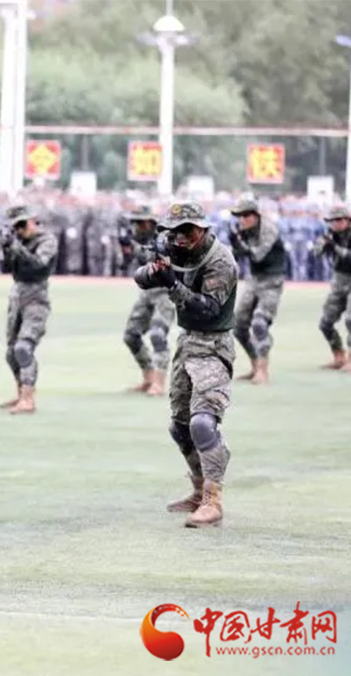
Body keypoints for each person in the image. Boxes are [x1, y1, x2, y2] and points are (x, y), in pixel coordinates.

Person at [134, 201, 238, 528]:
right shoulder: (178, 252)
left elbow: (207, 308)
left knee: (203, 424)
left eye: (187, 231)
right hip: (187, 344)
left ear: (203, 229)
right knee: (179, 427)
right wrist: (156, 268)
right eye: (174, 232)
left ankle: (213, 499)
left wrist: (173, 284)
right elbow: (141, 279)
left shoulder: (220, 261)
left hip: (214, 344)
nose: (180, 238)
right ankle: (196, 489)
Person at [0, 204, 58, 413]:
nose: (21, 230)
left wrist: (16, 248)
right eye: (17, 226)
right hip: (17, 296)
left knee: (24, 348)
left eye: (22, 224)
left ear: (33, 220)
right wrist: (6, 247)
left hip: (36, 297)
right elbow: (4, 267)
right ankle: (20, 393)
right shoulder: (18, 242)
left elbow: (38, 265)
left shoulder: (46, 241)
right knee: (11, 352)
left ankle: (28, 399)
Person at [229, 198, 288, 384]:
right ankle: (255, 365)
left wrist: (240, 245)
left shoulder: (268, 229)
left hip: (272, 280)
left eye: (245, 215)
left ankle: (263, 371)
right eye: (239, 216)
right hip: (254, 280)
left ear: (255, 216)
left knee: (260, 323)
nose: (242, 220)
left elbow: (258, 255)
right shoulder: (244, 231)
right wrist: (236, 244)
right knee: (238, 326)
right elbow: (237, 257)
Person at [118, 204, 174, 395]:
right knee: (131, 335)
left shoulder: (165, 237)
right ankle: (148, 378)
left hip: (166, 292)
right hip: (147, 292)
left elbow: (154, 259)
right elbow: (124, 264)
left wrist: (132, 246)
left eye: (140, 223)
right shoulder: (140, 238)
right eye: (134, 223)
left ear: (150, 222)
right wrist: (125, 247)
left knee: (158, 334)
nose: (136, 227)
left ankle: (159, 382)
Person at [314, 206, 351, 373]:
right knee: (325, 323)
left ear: (348, 221)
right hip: (339, 282)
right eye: (333, 221)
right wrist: (323, 245)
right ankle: (339, 356)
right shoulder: (329, 235)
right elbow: (316, 253)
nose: (336, 224)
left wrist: (336, 248)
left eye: (340, 220)